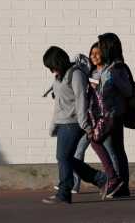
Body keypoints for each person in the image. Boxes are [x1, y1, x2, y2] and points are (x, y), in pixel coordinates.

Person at [42, 46, 105, 205]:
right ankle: (100, 178)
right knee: (67, 158)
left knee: (63, 157)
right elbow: (59, 103)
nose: (51, 71)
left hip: (74, 123)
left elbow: (81, 100)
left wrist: (85, 124)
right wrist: (53, 124)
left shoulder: (75, 74)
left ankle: (64, 193)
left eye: (52, 66)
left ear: (59, 61)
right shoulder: (59, 77)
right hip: (63, 123)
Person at [74, 33, 132, 198]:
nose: (94, 55)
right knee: (115, 150)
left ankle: (116, 181)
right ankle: (121, 186)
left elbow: (127, 91)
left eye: (99, 48)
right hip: (101, 116)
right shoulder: (96, 71)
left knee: (108, 147)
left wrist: (112, 82)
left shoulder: (116, 68)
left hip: (111, 116)